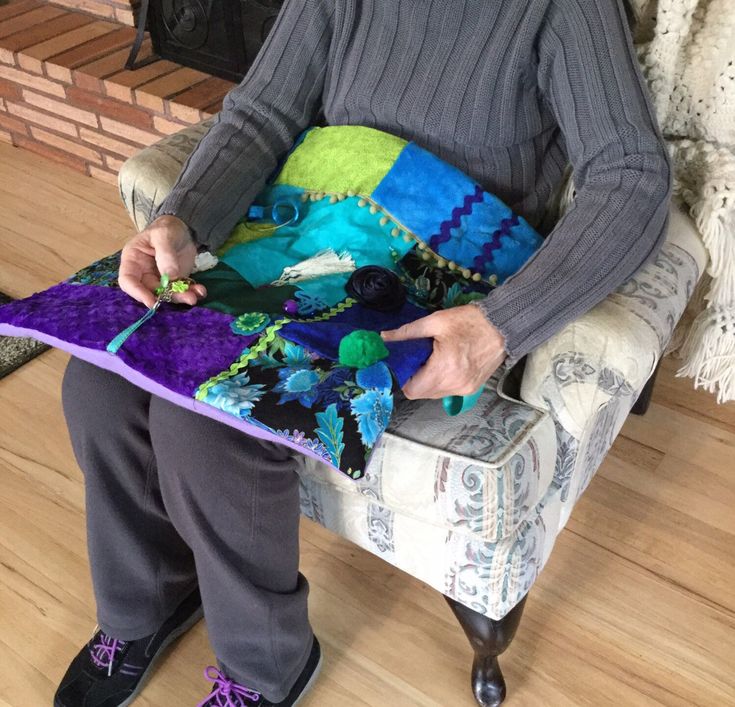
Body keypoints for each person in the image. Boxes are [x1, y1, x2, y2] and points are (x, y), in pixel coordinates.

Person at [55, 0, 672, 705]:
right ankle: (153, 599)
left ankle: (266, 663)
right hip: (310, 234)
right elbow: (261, 115)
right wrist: (181, 220)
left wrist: (500, 325)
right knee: (98, 382)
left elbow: (631, 175)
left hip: (431, 270)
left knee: (204, 421)